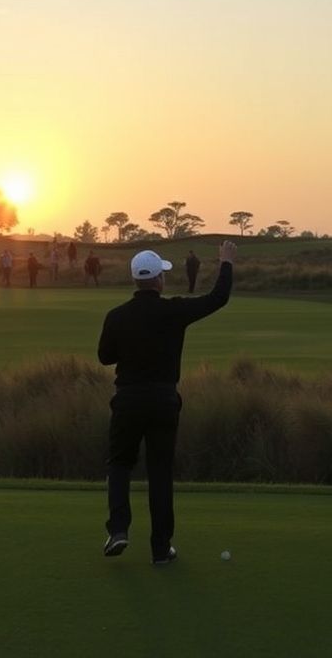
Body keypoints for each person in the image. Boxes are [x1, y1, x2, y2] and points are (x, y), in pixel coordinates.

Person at [98, 241, 237, 564]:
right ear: (158, 279)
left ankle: (118, 530)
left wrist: (131, 348)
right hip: (163, 400)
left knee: (120, 464)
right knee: (160, 472)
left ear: (136, 280)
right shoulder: (174, 310)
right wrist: (226, 263)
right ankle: (161, 549)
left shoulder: (116, 316)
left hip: (128, 400)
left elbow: (105, 357)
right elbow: (218, 298)